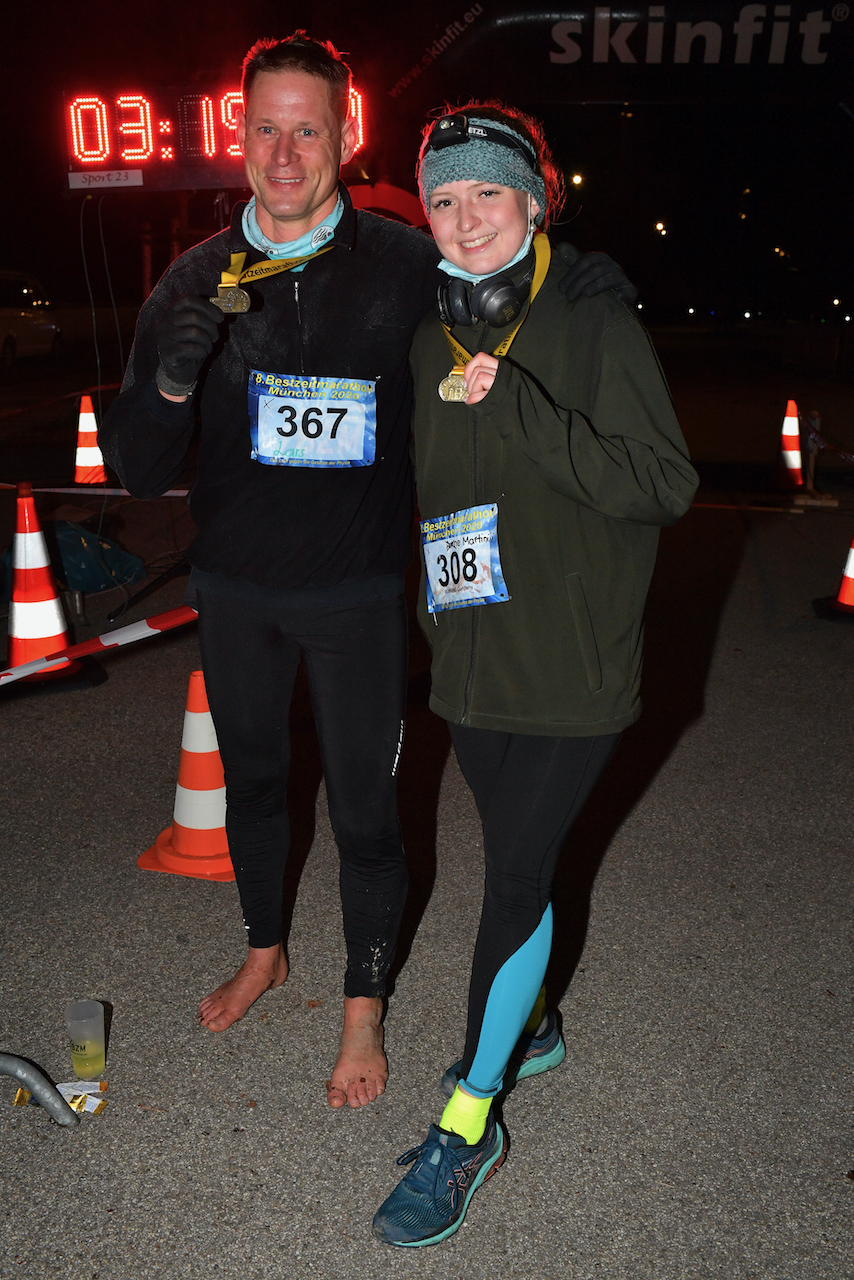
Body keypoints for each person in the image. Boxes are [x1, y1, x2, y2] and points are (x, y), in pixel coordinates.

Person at [100, 34, 636, 1112]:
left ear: (346, 136)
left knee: (363, 809)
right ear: (237, 136)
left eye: (308, 128)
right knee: (252, 785)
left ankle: (362, 1005)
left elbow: (507, 286)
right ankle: (264, 948)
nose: (284, 152)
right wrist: (167, 380)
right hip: (238, 591)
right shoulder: (196, 279)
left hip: (353, 597)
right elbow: (138, 468)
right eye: (265, 128)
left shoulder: (400, 263)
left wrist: (585, 281)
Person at [371, 105, 698, 1246]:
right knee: (527, 859)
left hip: (569, 668)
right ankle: (537, 1020)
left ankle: (469, 1118)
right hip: (469, 663)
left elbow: (660, 480)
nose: (462, 222)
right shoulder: (427, 333)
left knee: (510, 881)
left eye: (486, 196)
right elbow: (429, 494)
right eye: (443, 202)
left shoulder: (592, 320)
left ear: (533, 199)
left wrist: (521, 410)